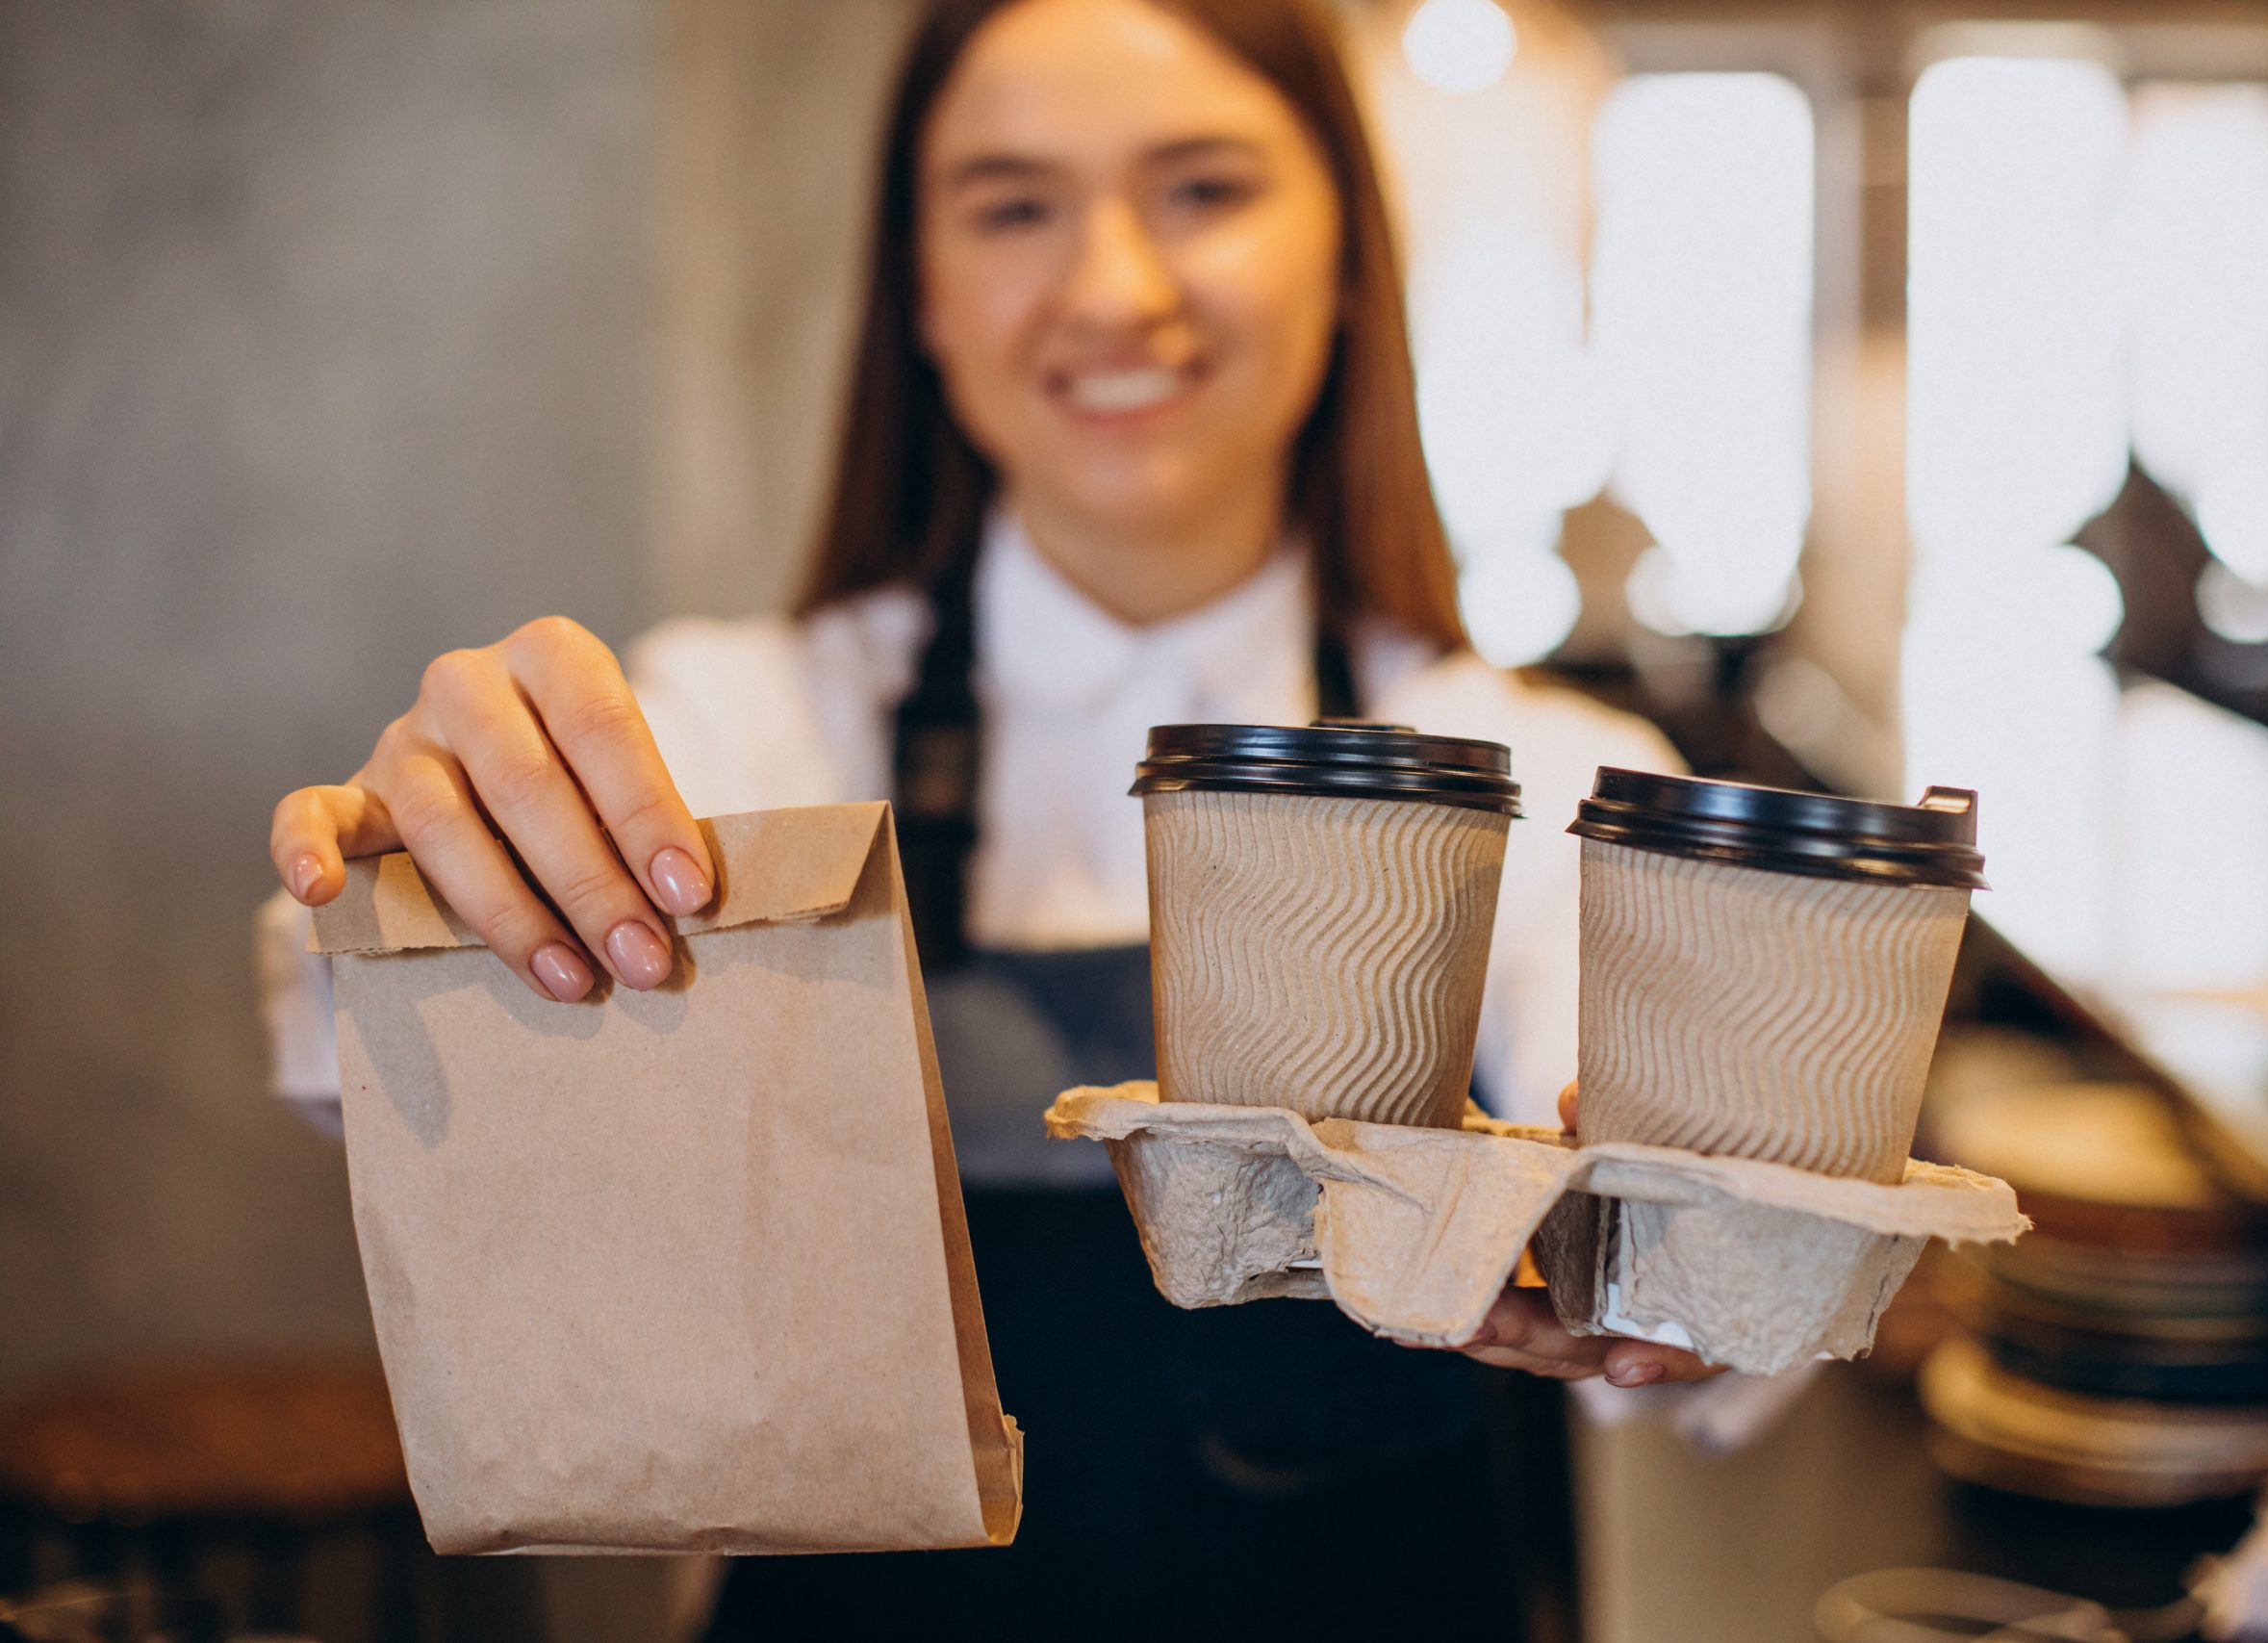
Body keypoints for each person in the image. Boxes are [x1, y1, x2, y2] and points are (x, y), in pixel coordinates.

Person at [263, 0, 1717, 1634]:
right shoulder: (744, 731)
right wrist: (432, 866)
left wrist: (1683, 1257)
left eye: (1204, 189)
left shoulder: (1533, 772)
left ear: (1350, 261)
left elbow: (1676, 1288)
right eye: (1014, 206)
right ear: (925, 293)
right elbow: (350, 1053)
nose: (1112, 287)